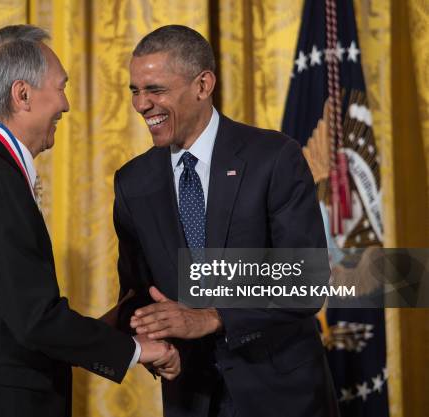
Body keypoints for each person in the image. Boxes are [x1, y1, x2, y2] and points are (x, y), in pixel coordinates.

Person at [0, 25, 179, 417]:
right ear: (22, 95)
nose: (65, 104)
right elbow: (35, 320)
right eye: (60, 87)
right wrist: (137, 349)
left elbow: (8, 310)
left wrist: (116, 327)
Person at [114, 25, 339, 417]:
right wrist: (87, 337)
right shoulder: (133, 182)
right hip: (192, 396)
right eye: (135, 90)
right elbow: (138, 293)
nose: (141, 104)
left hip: (281, 394)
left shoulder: (273, 157)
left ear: (203, 85)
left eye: (155, 90)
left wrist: (212, 318)